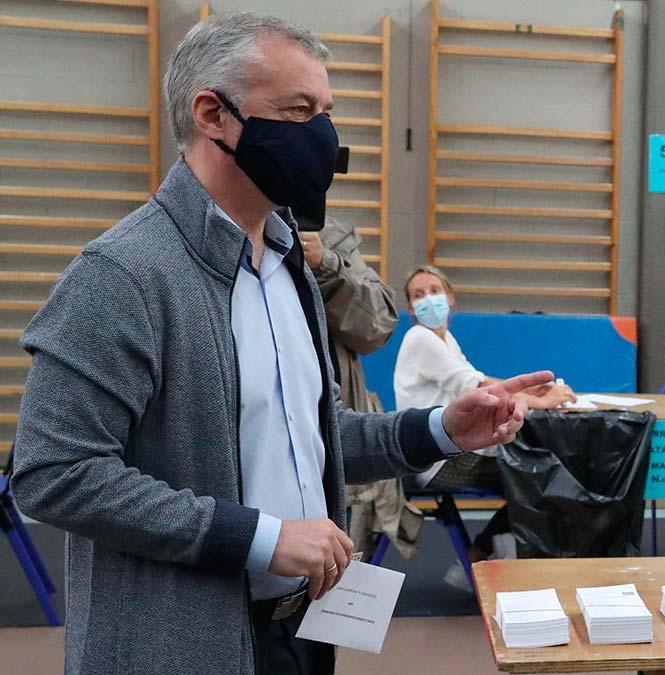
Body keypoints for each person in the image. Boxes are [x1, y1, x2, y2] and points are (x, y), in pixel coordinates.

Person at [10, 14, 551, 675]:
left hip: (299, 633)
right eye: (298, 111)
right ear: (213, 114)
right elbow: (52, 472)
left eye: (326, 111)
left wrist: (439, 428)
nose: (324, 136)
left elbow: (308, 435)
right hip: (181, 646)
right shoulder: (122, 274)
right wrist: (262, 537)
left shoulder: (288, 263)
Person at [393, 265, 576, 586]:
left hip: (447, 449)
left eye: (434, 291)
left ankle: (485, 556)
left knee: (539, 472)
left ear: (450, 297)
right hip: (436, 462)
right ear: (410, 308)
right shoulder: (420, 339)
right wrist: (542, 400)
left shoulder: (444, 339)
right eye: (418, 295)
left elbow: (475, 378)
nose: (428, 300)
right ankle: (484, 560)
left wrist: (528, 390)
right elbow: (474, 387)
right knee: (540, 475)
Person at [299, 217, 423, 560]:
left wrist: (326, 265)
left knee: (340, 572)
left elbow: (379, 324)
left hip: (332, 427)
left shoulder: (329, 236)